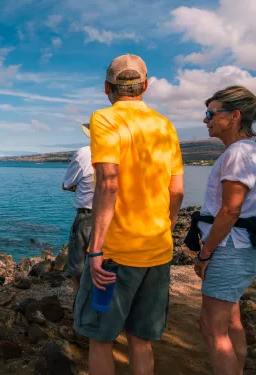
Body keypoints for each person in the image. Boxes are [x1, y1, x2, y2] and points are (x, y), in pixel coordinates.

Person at [73, 54, 185, 375]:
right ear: (145, 86)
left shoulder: (104, 119)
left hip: (116, 256)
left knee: (101, 340)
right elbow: (176, 192)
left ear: (107, 87)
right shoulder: (165, 126)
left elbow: (108, 183)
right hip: (158, 251)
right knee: (141, 341)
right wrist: (166, 229)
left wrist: (95, 250)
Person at [192, 86, 256, 375]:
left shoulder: (238, 153)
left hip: (230, 249)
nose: (206, 120)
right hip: (241, 248)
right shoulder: (249, 150)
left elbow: (231, 210)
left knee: (211, 326)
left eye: (210, 113)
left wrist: (205, 254)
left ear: (234, 116)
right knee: (231, 323)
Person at [59, 124, 94, 344]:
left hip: (88, 219)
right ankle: (105, 326)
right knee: (109, 275)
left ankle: (81, 331)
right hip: (116, 220)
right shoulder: (124, 153)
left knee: (80, 275)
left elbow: (66, 184)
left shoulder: (85, 153)